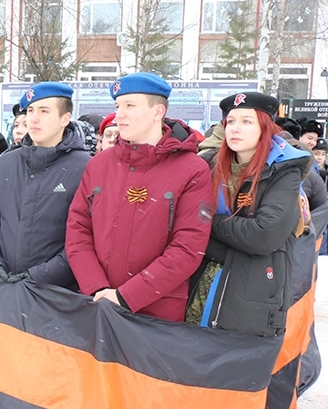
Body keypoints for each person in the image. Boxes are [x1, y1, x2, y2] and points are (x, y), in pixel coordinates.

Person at [66, 72, 213, 322]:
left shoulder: (192, 169)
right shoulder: (99, 164)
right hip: (97, 306)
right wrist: (97, 288)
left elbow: (188, 248)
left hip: (157, 313)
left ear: (158, 112)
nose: (119, 114)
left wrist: (126, 296)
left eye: (130, 106)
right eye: (117, 106)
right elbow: (78, 230)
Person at [186, 92, 311, 336]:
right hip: (200, 286)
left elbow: (264, 236)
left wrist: (208, 223)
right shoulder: (208, 165)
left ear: (265, 127)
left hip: (251, 297)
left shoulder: (284, 170)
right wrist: (236, 241)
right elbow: (186, 227)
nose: (235, 128)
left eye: (246, 121)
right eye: (231, 121)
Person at [0, 82, 90, 287]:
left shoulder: (86, 169)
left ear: (66, 118)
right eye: (30, 110)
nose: (33, 118)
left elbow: (86, 238)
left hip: (59, 294)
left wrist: (38, 277)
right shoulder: (3, 166)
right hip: (4, 289)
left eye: (44, 111)